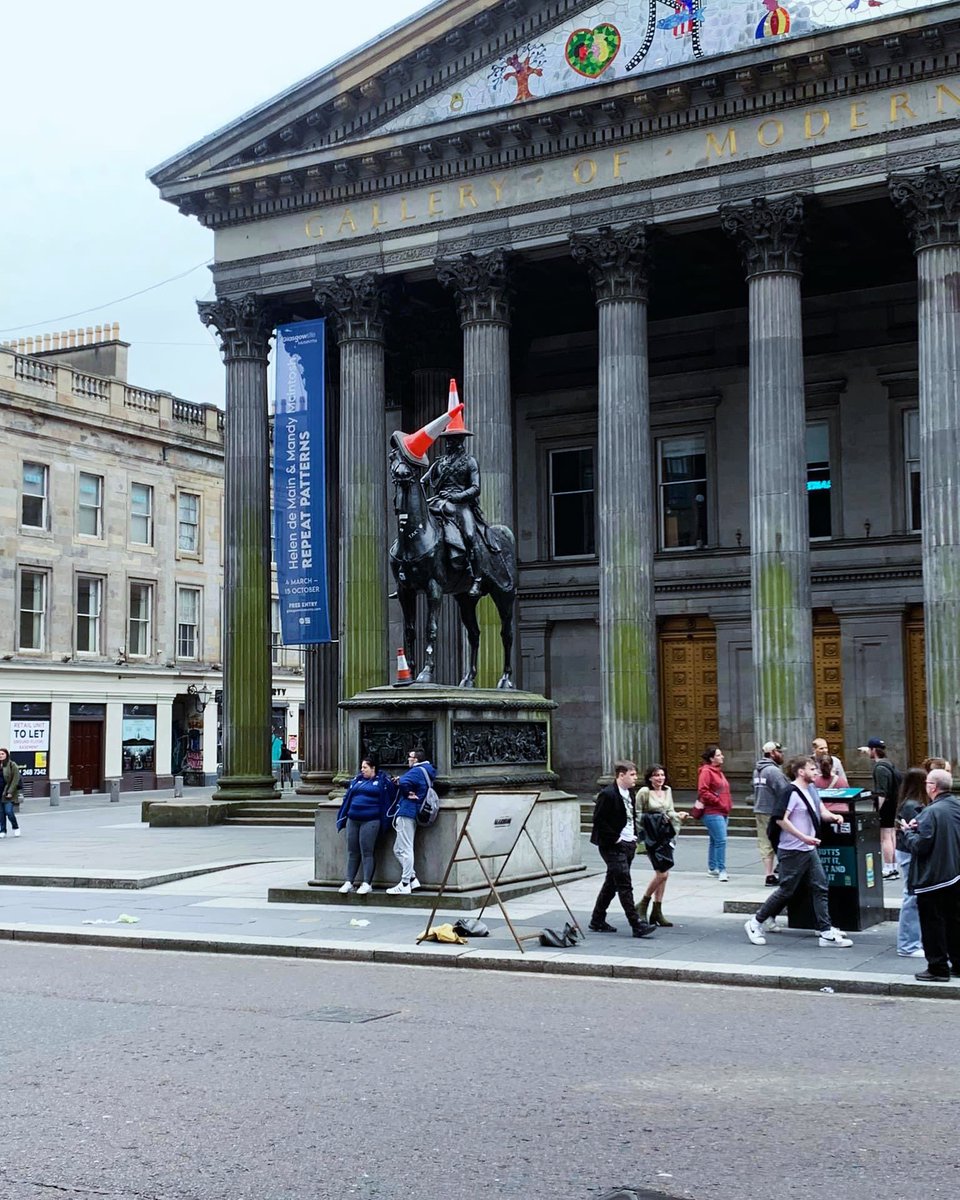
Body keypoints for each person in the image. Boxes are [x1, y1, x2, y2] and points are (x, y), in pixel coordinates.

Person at [744, 755, 853, 949]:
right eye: (812, 769)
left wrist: (834, 816)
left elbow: (820, 812)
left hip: (808, 848)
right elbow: (780, 819)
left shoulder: (810, 790)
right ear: (801, 771)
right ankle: (755, 922)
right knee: (786, 889)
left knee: (820, 886)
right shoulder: (790, 792)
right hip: (792, 849)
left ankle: (825, 932)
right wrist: (803, 837)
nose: (816, 772)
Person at [900, 768, 960, 982]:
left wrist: (908, 832)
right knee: (954, 921)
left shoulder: (930, 812)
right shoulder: (955, 806)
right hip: (955, 874)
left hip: (933, 878)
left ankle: (938, 968)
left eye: (928, 783)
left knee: (932, 924)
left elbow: (921, 846)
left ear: (933, 786)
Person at [588, 760, 656, 938]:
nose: (635, 778)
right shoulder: (608, 794)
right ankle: (636, 924)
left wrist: (633, 837)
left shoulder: (630, 793)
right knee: (624, 883)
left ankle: (597, 919)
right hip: (612, 845)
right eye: (632, 775)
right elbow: (598, 820)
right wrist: (616, 839)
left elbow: (631, 816)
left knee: (612, 883)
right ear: (621, 775)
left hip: (628, 843)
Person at [421, 427, 485, 597]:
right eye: (448, 440)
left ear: (461, 441)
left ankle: (477, 579)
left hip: (460, 505)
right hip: (439, 503)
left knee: (470, 536)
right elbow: (423, 481)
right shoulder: (439, 463)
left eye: (453, 439)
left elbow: (475, 488)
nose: (449, 443)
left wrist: (456, 496)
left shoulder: (470, 462)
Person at [335, 755, 397, 895]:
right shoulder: (357, 780)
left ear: (373, 768)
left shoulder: (382, 781)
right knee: (352, 850)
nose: (362, 770)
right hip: (353, 818)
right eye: (361, 767)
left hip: (371, 819)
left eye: (365, 767)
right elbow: (348, 797)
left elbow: (391, 795)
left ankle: (367, 883)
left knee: (367, 851)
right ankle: (349, 881)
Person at [636, 764, 688, 927]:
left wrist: (677, 815)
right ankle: (643, 903)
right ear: (650, 777)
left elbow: (669, 811)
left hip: (665, 835)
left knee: (665, 872)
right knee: (662, 874)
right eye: (656, 775)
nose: (660, 778)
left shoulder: (668, 791)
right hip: (651, 837)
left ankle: (657, 911)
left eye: (662, 775)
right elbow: (637, 815)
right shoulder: (644, 792)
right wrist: (642, 837)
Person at [386, 747, 436, 895]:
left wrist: (406, 791)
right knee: (397, 849)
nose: (408, 759)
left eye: (410, 757)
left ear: (415, 760)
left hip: (407, 810)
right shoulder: (428, 770)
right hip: (414, 812)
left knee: (406, 849)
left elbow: (405, 782)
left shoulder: (415, 771)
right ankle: (413, 879)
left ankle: (405, 883)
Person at [894, 766, 929, 958]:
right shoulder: (912, 806)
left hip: (907, 851)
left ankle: (913, 941)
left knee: (914, 895)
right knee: (912, 896)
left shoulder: (910, 803)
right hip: (909, 853)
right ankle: (908, 944)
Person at [861, 737, 901, 880]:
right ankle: (893, 866)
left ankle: (889, 867)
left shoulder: (880, 768)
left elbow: (881, 792)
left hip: (886, 805)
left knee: (885, 837)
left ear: (873, 750)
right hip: (894, 803)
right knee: (891, 835)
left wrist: (877, 810)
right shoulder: (890, 764)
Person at [752, 740, 789, 887]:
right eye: (779, 752)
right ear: (772, 753)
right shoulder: (774, 771)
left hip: (760, 810)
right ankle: (783, 870)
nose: (782, 755)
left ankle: (769, 875)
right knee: (780, 841)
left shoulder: (757, 770)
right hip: (773, 811)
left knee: (764, 843)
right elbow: (784, 791)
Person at [694, 745, 732, 881]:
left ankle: (712, 867)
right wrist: (718, 801)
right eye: (719, 755)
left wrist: (726, 805)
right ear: (711, 758)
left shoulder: (718, 771)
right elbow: (703, 790)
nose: (722, 757)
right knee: (721, 840)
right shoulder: (706, 771)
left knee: (715, 840)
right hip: (712, 811)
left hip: (722, 810)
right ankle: (722, 869)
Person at [0, 749, 21, 839]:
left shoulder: (12, 765)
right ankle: (3, 830)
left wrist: (10, 791)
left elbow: (15, 779)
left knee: (9, 812)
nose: (0, 755)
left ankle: (15, 827)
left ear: (6, 755)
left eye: (2, 754)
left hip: (8, 792)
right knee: (1, 814)